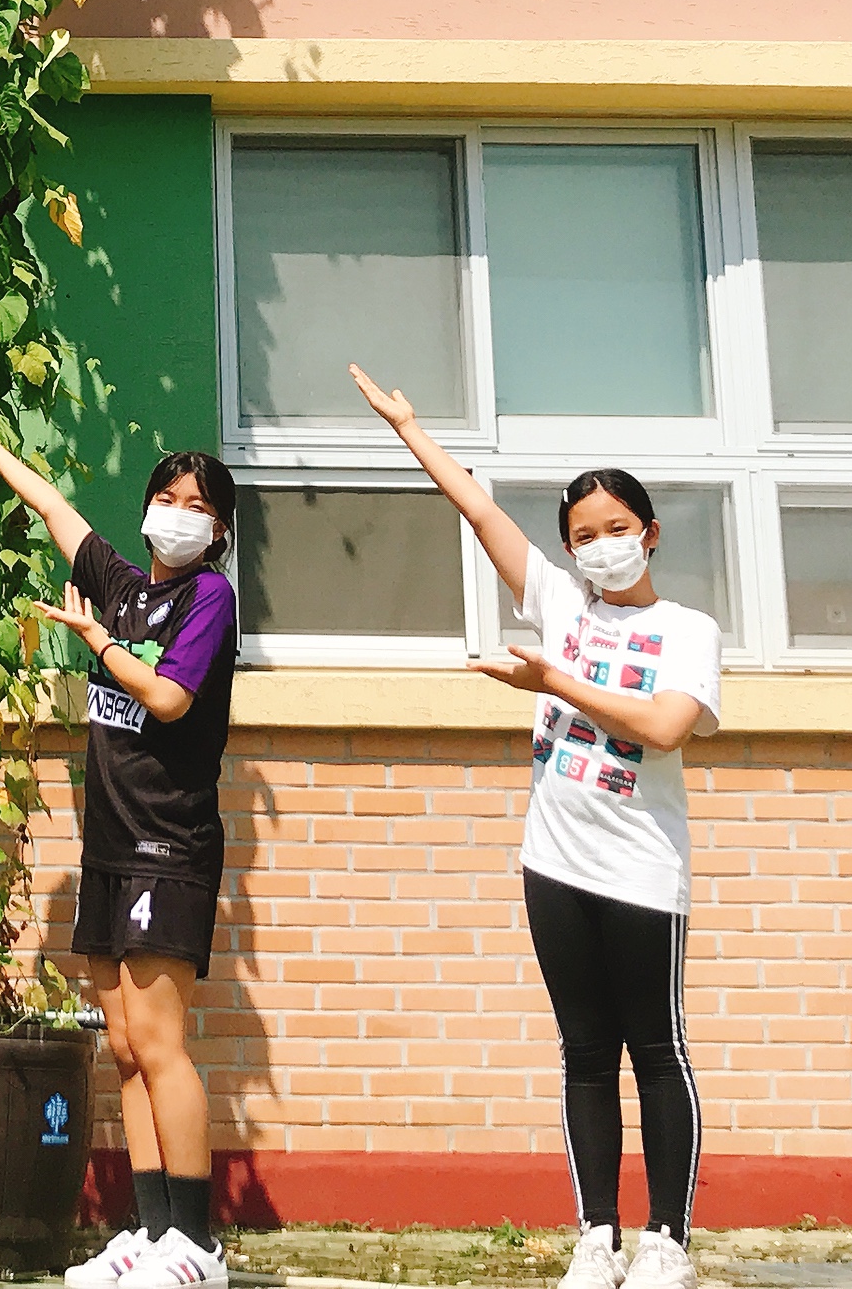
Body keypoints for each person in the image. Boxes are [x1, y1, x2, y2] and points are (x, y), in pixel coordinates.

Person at [351, 365, 722, 1289]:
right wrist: (409, 428)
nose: (600, 549)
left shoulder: (687, 629)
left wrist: (552, 681)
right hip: (553, 864)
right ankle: (595, 1236)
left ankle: (665, 1239)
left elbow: (666, 727)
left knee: (656, 1048)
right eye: (582, 537)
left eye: (616, 532)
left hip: (641, 870)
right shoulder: (559, 606)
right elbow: (482, 516)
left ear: (651, 536)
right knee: (585, 1052)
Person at [0, 415, 242, 1289]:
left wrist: (98, 644)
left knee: (160, 1041)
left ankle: (198, 1244)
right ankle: (153, 1238)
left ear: (219, 530)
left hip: (169, 844)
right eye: (167, 499)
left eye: (199, 507)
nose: (179, 514)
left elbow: (171, 698)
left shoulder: (208, 601)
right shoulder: (118, 581)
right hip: (110, 846)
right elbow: (51, 507)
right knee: (121, 1044)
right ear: (148, 508)